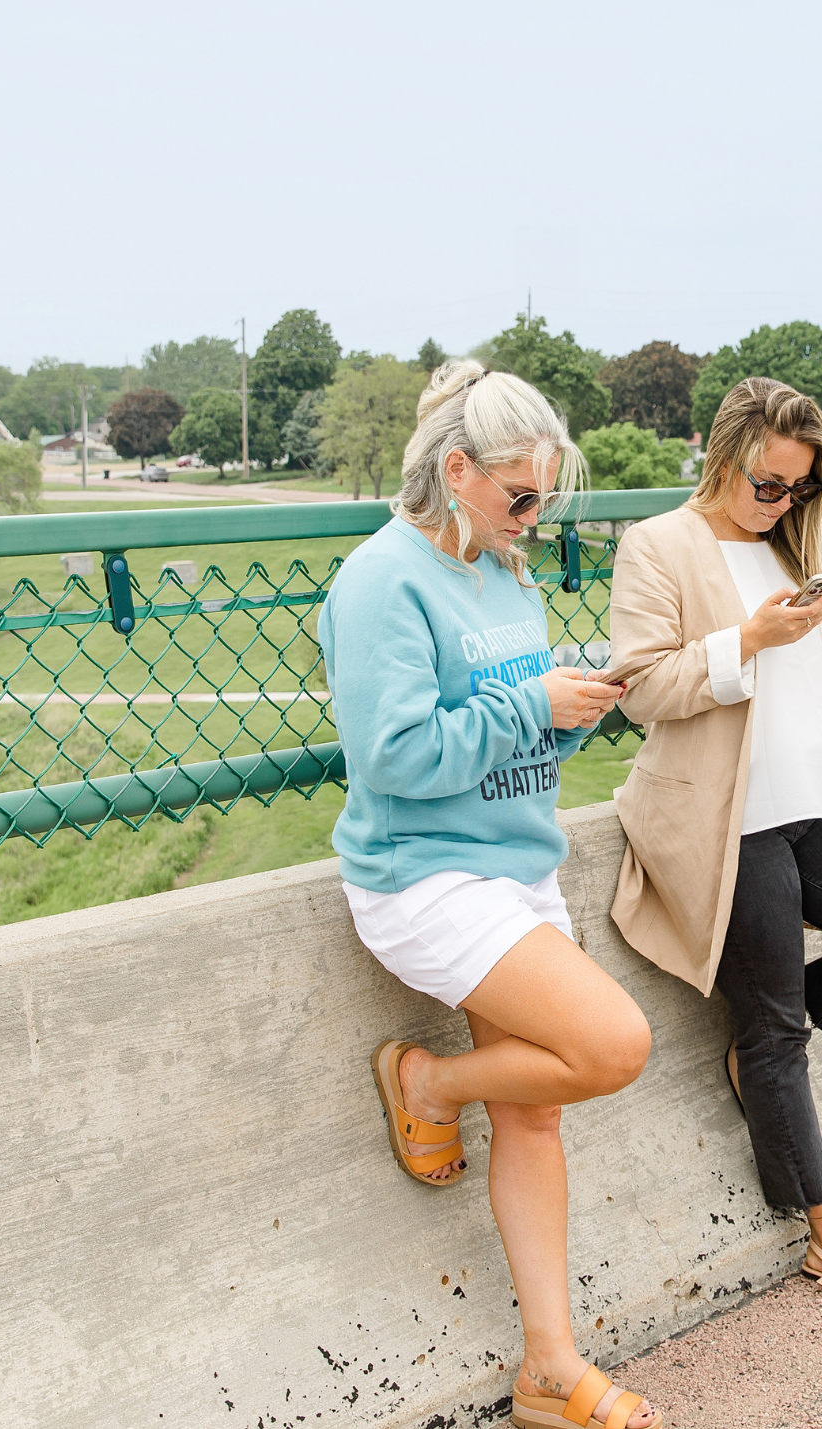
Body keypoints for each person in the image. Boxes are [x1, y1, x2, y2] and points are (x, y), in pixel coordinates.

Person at [316, 361, 663, 1429]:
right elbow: (395, 756)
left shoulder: (502, 572)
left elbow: (509, 720)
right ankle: (424, 1081)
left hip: (515, 865)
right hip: (424, 877)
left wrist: (569, 708)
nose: (534, 517)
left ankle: (548, 1370)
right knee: (613, 1045)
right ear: (455, 471)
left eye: (543, 498)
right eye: (520, 496)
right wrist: (528, 708)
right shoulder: (382, 582)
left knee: (538, 1116)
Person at [605, 377, 822, 1311]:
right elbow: (641, 689)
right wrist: (745, 641)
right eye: (770, 484)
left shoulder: (795, 544)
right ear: (723, 458)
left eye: (800, 487)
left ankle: (767, 1047)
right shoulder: (658, 545)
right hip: (733, 820)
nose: (784, 501)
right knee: (772, 1032)